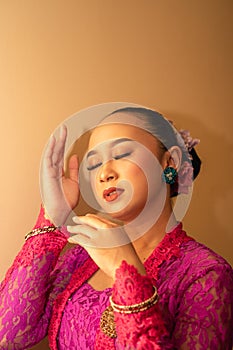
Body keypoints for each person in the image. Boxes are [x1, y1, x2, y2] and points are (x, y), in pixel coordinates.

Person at [0, 106, 232, 350]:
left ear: (169, 161)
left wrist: (128, 271)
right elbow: (7, 335)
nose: (105, 174)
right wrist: (52, 217)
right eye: (93, 164)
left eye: (121, 154)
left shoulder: (205, 274)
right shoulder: (82, 255)